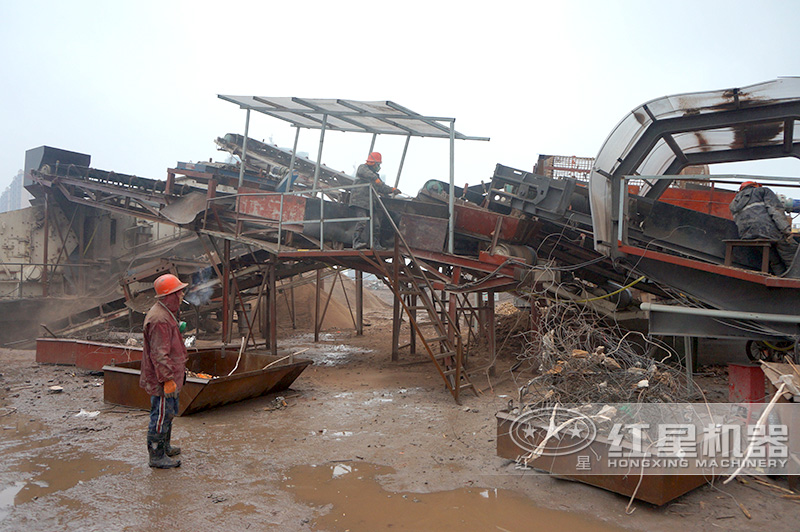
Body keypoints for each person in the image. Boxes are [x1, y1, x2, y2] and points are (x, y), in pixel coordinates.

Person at [140, 273, 189, 469]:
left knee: (167, 413)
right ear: (169, 296)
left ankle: (165, 446)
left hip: (170, 375)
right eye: (178, 292)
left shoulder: (165, 314)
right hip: (162, 379)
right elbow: (160, 355)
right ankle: (157, 455)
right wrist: (168, 379)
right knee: (160, 416)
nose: (182, 296)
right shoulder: (160, 319)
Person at [729, 181, 798, 275]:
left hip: (748, 236)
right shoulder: (763, 191)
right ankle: (795, 279)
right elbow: (775, 212)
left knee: (774, 260)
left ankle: (781, 279)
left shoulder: (733, 203)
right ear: (755, 186)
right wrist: (786, 230)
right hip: (768, 231)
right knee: (792, 252)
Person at [350, 152, 400, 250]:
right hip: (360, 200)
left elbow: (382, 187)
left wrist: (392, 190)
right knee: (362, 221)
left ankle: (375, 244)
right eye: (378, 164)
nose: (378, 167)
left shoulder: (375, 175)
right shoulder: (362, 168)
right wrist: (376, 179)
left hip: (370, 202)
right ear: (373, 163)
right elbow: (368, 175)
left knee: (376, 224)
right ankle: (356, 242)